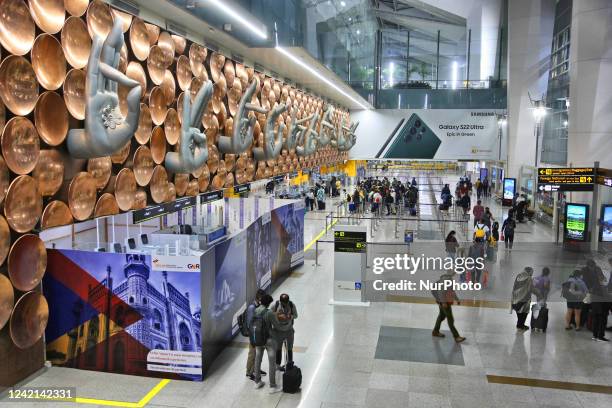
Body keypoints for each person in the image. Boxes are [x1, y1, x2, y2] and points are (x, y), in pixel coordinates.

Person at [253, 294, 283, 393]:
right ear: (269, 303)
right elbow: (277, 326)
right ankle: (272, 386)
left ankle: (257, 382)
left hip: (257, 339)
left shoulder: (255, 310)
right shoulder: (269, 312)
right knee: (272, 363)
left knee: (258, 359)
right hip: (268, 340)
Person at [432, 272, 466, 343]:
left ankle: (435, 331)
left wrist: (457, 299)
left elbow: (452, 292)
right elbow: (441, 292)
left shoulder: (447, 279)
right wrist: (444, 302)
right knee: (450, 319)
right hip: (445, 303)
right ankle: (456, 337)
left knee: (441, 316)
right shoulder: (447, 280)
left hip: (442, 302)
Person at [271, 294, 298, 371]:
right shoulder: (275, 306)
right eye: (283, 304)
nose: (285, 305)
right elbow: (270, 316)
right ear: (280, 301)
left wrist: (291, 316)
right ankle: (278, 365)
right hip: (278, 331)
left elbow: (296, 315)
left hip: (289, 330)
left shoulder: (291, 305)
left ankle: (289, 364)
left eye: (286, 303)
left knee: (289, 348)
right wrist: (277, 316)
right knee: (278, 348)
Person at [246, 289, 267, 380]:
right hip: (253, 334)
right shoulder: (252, 308)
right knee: (252, 353)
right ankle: (249, 372)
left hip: (258, 334)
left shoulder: (259, 306)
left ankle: (256, 369)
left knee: (258, 353)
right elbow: (250, 323)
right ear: (259, 297)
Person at [511, 267, 538, 331]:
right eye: (532, 272)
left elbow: (514, 285)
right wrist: (538, 293)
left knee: (518, 310)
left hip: (516, 296)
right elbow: (531, 288)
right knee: (524, 312)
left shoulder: (518, 276)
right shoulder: (529, 278)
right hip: (525, 297)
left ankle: (519, 324)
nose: (532, 273)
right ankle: (521, 325)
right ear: (529, 271)